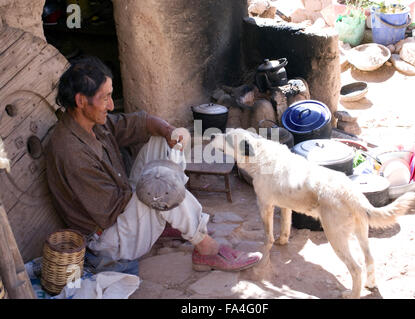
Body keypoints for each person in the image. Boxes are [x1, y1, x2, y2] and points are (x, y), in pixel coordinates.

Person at [45, 56, 261, 272]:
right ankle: (206, 249)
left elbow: (140, 122)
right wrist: (160, 189)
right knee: (160, 186)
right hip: (110, 240)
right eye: (105, 98)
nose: (111, 106)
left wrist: (169, 132)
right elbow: (111, 211)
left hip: (121, 205)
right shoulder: (70, 151)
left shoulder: (91, 123)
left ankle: (174, 217)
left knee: (160, 142)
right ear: (81, 101)